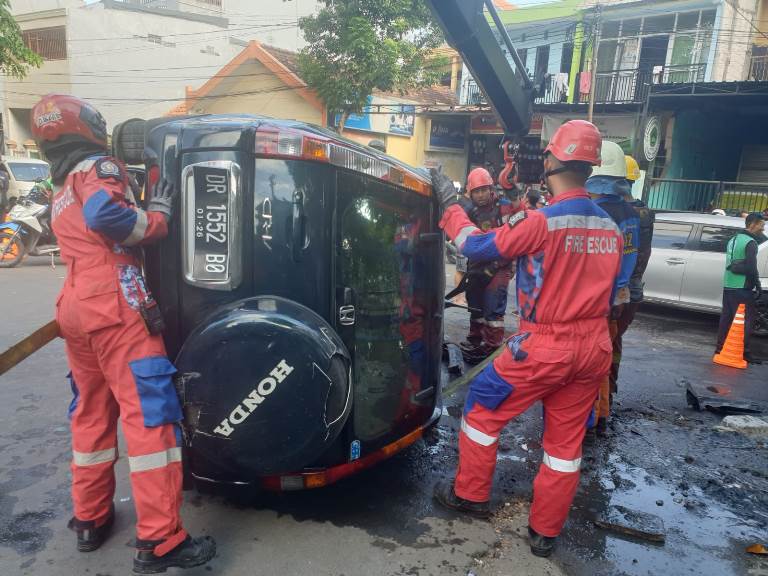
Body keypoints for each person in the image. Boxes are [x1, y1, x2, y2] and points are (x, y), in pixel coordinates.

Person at [31, 94, 216, 574]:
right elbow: (108, 219)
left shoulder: (61, 183)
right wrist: (157, 220)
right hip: (114, 303)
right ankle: (160, 541)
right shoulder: (98, 167)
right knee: (150, 417)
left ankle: (90, 519)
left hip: (74, 305)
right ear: (88, 127)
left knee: (91, 413)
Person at [430, 120, 622, 558]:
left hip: (545, 346)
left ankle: (472, 495)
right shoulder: (610, 229)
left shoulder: (542, 221)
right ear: (590, 168)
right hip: (594, 349)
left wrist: (448, 204)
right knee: (564, 446)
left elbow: (475, 248)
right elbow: (611, 294)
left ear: (552, 160)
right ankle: (545, 533)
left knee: (481, 407)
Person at [584, 140, 639, 435]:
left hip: (595, 299)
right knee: (604, 360)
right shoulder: (630, 213)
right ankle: (602, 414)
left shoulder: (594, 212)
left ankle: (589, 417)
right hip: (619, 296)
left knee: (587, 363)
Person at [459, 167, 516, 364]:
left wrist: (494, 267)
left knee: (493, 307)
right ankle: (476, 340)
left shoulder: (504, 207)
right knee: (475, 304)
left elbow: (512, 242)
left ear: (491, 189)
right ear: (470, 192)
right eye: (477, 191)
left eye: (484, 190)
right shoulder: (469, 211)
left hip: (500, 264)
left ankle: (492, 346)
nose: (481, 195)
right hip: (476, 264)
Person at [611, 156, 654, 403]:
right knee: (615, 342)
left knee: (603, 344)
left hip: (615, 293)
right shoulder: (645, 213)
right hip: (633, 291)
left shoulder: (614, 212)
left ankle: (599, 402)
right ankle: (609, 389)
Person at [716, 212, 765, 364]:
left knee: (726, 318)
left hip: (729, 284)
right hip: (742, 287)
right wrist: (757, 285)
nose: (762, 229)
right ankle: (744, 351)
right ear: (752, 224)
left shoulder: (733, 239)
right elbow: (751, 267)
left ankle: (720, 348)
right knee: (746, 320)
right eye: (761, 226)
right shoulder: (751, 243)